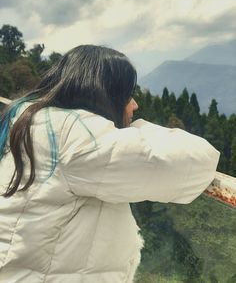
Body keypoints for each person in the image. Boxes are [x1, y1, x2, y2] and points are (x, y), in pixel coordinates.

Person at [0, 45, 219, 283]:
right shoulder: (78, 141)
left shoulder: (34, 122)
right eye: (127, 95)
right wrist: (137, 129)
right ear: (101, 93)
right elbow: (197, 162)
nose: (135, 105)